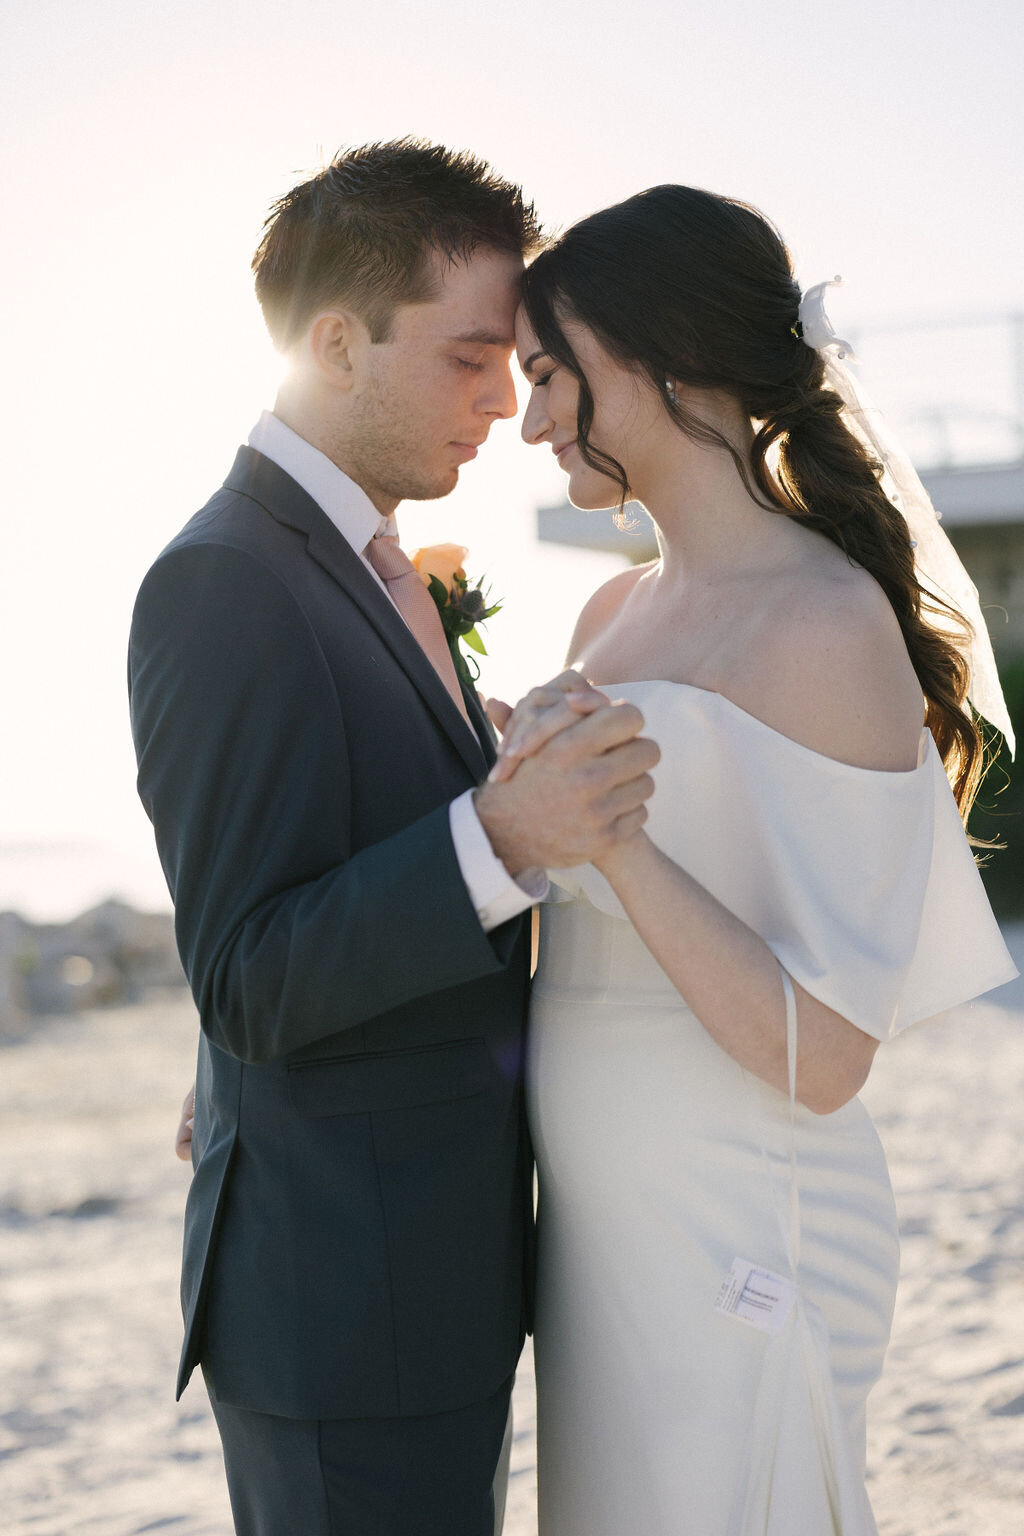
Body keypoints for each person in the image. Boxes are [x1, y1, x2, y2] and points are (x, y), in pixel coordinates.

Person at [128, 139, 657, 1536]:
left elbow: (284, 870)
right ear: (335, 341)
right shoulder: (221, 584)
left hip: (424, 1276)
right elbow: (245, 971)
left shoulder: (373, 561)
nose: (505, 403)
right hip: (345, 1310)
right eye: (470, 357)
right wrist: (495, 831)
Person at [489, 184, 1018, 1534]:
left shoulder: (828, 624)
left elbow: (831, 1055)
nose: (533, 419)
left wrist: (616, 842)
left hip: (742, 1212)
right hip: (600, 1216)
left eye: (552, 374)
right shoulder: (609, 607)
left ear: (662, 357)